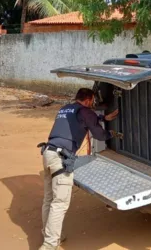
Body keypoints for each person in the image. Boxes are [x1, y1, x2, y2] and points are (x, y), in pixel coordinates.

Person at [39, 88, 119, 250]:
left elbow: (81, 120)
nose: (93, 104)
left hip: (48, 153)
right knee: (59, 203)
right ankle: (49, 245)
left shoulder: (65, 108)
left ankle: (50, 234)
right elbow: (99, 135)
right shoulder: (86, 111)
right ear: (89, 99)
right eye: (93, 101)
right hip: (61, 160)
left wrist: (103, 117)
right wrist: (112, 133)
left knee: (49, 199)